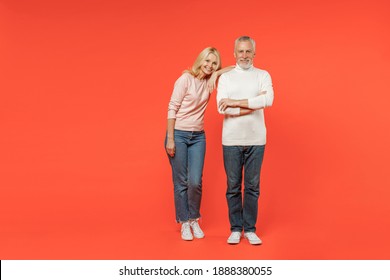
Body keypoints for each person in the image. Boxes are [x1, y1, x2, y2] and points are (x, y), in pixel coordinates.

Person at [166, 47, 233, 241]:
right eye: (207, 61)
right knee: (181, 182)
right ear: (200, 60)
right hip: (178, 134)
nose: (210, 66)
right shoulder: (185, 79)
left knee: (195, 181)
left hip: (198, 137)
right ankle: (185, 222)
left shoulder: (210, 81)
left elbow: (235, 68)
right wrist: (170, 138)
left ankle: (194, 218)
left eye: (214, 63)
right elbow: (172, 108)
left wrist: (218, 73)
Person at [216, 36, 274, 245]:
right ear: (234, 53)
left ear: (254, 53)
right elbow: (222, 108)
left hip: (256, 139)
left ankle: (249, 229)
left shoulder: (263, 75)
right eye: (240, 51)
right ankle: (235, 228)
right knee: (233, 186)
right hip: (231, 140)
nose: (244, 55)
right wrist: (253, 103)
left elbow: (268, 100)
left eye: (248, 51)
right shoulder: (226, 78)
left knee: (252, 187)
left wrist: (235, 101)